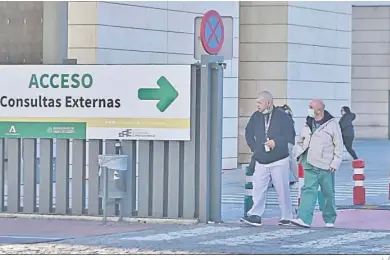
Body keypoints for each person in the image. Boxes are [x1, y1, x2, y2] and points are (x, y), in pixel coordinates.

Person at [242, 91, 295, 227]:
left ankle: (286, 215)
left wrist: (276, 142)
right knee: (258, 188)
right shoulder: (256, 116)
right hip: (261, 158)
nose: (257, 105)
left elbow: (290, 136)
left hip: (279, 158)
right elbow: (248, 133)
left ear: (269, 103)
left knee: (282, 188)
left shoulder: (283, 117)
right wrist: (255, 149)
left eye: (260, 102)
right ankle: (255, 214)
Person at [290, 99, 343, 228]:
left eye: (311, 107)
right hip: (309, 162)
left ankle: (329, 218)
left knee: (327, 192)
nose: (308, 109)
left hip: (326, 165)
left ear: (319, 110)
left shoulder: (332, 124)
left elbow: (339, 145)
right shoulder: (307, 122)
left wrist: (335, 163)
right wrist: (298, 154)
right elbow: (301, 140)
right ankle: (304, 218)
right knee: (308, 190)